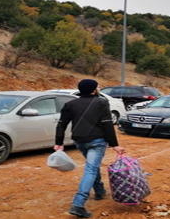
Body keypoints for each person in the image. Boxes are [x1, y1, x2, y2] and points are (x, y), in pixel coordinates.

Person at [54, 79, 126, 218]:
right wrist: (114, 144)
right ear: (94, 90)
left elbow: (61, 124)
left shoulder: (70, 104)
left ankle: (99, 191)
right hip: (97, 141)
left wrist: (59, 143)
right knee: (91, 169)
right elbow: (107, 124)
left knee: (92, 166)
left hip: (80, 141)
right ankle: (78, 205)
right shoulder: (101, 102)